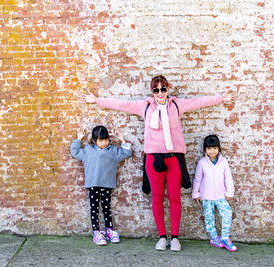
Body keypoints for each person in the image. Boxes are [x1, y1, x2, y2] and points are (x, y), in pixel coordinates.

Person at [79, 75, 237, 251]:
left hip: (174, 158)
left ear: (168, 89)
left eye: (163, 89)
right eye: (156, 89)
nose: (160, 93)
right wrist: (97, 101)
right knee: (157, 198)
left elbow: (198, 102)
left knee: (175, 198)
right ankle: (162, 237)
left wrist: (221, 98)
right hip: (153, 158)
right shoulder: (146, 106)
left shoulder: (177, 105)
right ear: (152, 91)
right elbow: (122, 104)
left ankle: (175, 237)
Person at [70, 125, 132, 245]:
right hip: (93, 184)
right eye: (101, 140)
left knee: (107, 208)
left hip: (107, 184)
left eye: (106, 139)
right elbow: (75, 152)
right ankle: (96, 232)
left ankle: (110, 230)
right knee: (94, 210)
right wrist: (78, 139)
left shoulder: (113, 151)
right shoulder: (88, 150)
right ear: (94, 140)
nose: (104, 143)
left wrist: (122, 140)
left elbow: (127, 153)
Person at [192, 135, 237, 252]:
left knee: (227, 213)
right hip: (206, 196)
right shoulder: (202, 163)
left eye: (215, 148)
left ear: (219, 148)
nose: (212, 151)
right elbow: (197, 179)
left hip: (220, 195)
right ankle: (214, 238)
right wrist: (196, 193)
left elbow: (228, 178)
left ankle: (225, 237)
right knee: (209, 218)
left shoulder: (223, 162)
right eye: (209, 148)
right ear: (205, 150)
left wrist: (229, 192)